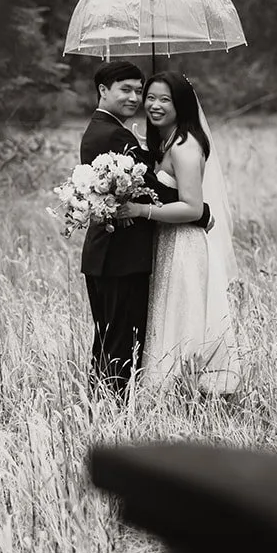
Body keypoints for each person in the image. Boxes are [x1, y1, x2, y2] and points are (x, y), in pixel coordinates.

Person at [80, 61, 211, 398]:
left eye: (141, 92)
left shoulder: (111, 132)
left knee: (115, 340)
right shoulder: (112, 134)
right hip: (120, 258)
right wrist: (202, 212)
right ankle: (112, 408)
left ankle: (109, 404)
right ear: (103, 91)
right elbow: (149, 191)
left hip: (117, 256)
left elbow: (150, 189)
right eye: (128, 90)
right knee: (120, 343)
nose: (137, 99)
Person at [119, 72, 242, 396]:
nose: (154, 105)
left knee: (182, 315)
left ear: (181, 104)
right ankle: (171, 390)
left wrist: (141, 210)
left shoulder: (185, 145)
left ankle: (183, 389)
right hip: (168, 241)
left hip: (184, 244)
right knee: (167, 312)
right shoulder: (169, 141)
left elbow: (191, 206)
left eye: (165, 99)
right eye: (151, 97)